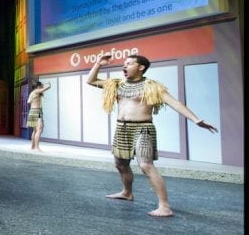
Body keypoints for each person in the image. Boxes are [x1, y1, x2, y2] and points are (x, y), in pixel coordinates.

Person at [85, 53, 218, 217]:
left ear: (141, 67)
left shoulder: (152, 86)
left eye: (129, 63)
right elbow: (91, 81)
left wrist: (196, 120)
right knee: (120, 164)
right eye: (124, 64)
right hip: (122, 128)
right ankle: (127, 193)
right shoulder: (117, 84)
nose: (124, 66)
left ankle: (165, 206)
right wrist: (98, 63)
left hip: (143, 128)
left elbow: (175, 103)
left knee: (146, 165)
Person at [26, 79, 51, 151]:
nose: (41, 87)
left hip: (33, 111)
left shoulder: (33, 92)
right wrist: (48, 83)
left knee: (35, 130)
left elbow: (28, 101)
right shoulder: (36, 91)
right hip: (37, 112)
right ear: (38, 86)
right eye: (41, 86)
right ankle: (36, 147)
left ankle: (33, 147)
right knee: (39, 129)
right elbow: (47, 87)